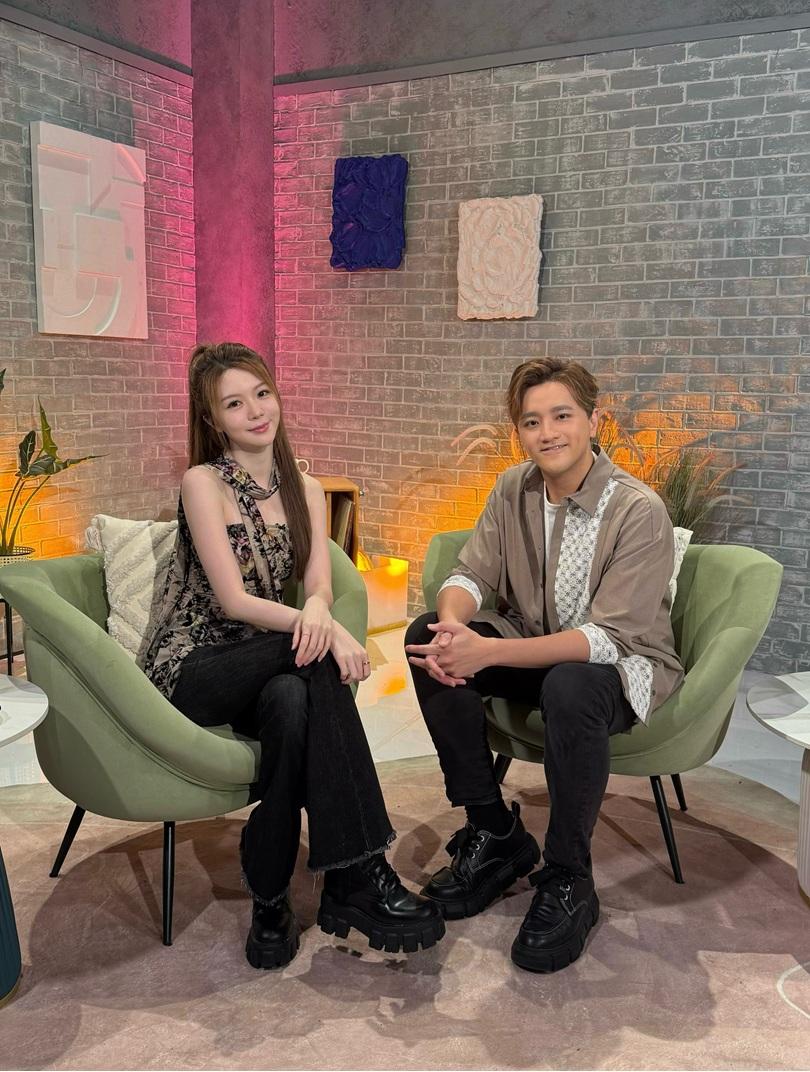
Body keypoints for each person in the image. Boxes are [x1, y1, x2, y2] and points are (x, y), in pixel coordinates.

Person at [142, 341, 444, 970]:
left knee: (290, 702)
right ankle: (359, 873)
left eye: (262, 393)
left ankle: (271, 895)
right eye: (234, 404)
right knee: (314, 661)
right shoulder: (202, 483)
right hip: (193, 666)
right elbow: (233, 602)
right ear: (212, 419)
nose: (255, 411)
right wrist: (327, 635)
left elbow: (319, 585)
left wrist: (320, 614)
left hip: (268, 665)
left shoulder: (305, 487)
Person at [405, 357, 683, 973]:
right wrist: (454, 627)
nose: (547, 432)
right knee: (426, 636)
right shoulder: (514, 488)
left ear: (593, 420)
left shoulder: (637, 509)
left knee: (571, 685)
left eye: (562, 416)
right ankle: (495, 833)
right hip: (534, 648)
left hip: (617, 667)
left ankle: (569, 876)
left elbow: (607, 638)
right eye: (532, 422)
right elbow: (471, 573)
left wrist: (488, 652)